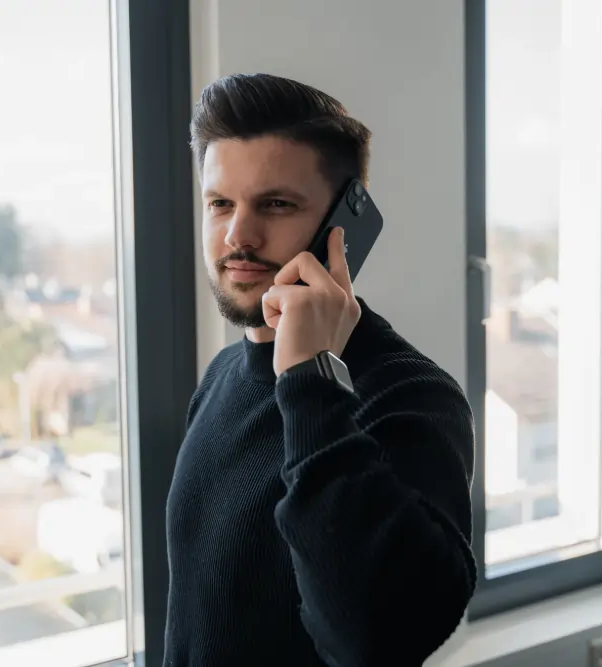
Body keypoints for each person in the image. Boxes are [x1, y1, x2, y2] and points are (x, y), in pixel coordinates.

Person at [164, 73, 476, 667]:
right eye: (220, 204)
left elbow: (372, 641)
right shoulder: (221, 377)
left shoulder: (414, 395)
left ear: (342, 228)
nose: (238, 235)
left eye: (276, 204)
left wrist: (311, 376)